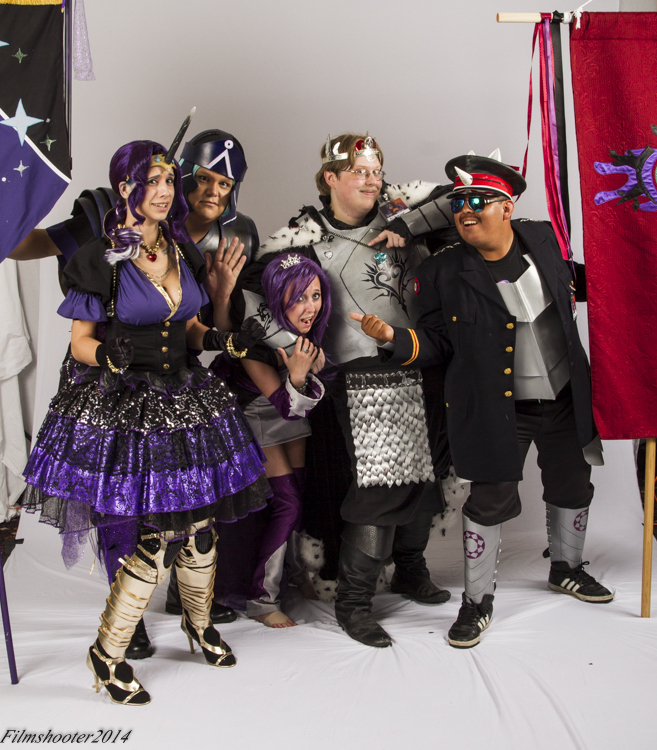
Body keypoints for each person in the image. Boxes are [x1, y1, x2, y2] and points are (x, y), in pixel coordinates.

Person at [22, 140, 270, 705]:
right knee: (154, 536)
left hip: (184, 400)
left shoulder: (180, 248)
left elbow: (189, 330)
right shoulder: (100, 257)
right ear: (125, 187)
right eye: (150, 181)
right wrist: (106, 357)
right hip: (126, 406)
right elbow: (81, 342)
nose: (163, 192)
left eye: (168, 181)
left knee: (201, 526)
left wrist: (223, 339)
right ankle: (108, 654)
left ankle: (198, 626)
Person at [352, 151, 614, 650]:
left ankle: (567, 567)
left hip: (565, 397)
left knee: (573, 483)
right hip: (497, 407)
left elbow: (587, 281)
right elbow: (437, 344)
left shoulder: (545, 239)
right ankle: (476, 602)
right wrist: (392, 338)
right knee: (490, 500)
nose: (466, 210)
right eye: (459, 203)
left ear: (507, 207)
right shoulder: (441, 272)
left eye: (478, 201)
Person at [239, 133, 455, 648]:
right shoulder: (303, 236)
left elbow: (470, 195)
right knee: (383, 483)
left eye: (376, 170)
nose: (371, 179)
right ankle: (353, 602)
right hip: (365, 374)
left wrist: (409, 225)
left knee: (429, 477)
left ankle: (410, 568)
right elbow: (248, 294)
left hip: (428, 359)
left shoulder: (403, 209)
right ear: (330, 178)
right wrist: (293, 345)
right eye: (358, 171)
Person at [226, 252, 330, 626]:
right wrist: (299, 375)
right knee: (287, 502)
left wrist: (307, 370)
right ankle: (262, 598)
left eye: (315, 295)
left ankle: (296, 573)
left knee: (299, 492)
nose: (310, 307)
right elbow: (285, 405)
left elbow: (298, 406)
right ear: (275, 298)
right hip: (256, 415)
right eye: (298, 297)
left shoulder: (306, 332)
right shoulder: (253, 341)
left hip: (293, 415)